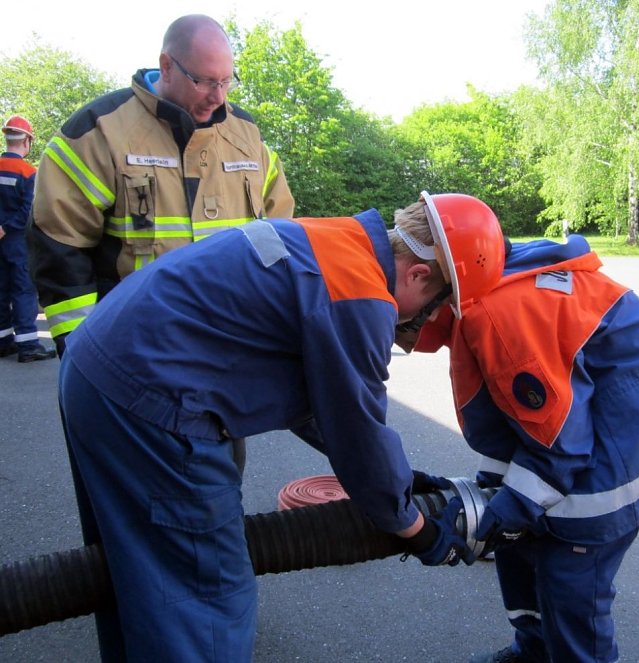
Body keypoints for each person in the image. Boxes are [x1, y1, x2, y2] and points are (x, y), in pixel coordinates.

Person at [56, 191, 505, 661]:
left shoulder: (335, 238)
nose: (422, 320)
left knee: (137, 574)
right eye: (433, 306)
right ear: (417, 275)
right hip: (150, 403)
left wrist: (400, 479)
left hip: (100, 370)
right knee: (206, 596)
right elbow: (356, 428)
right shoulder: (361, 295)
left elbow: (323, 404)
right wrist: (417, 529)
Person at [400, 233, 639, 663]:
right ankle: (533, 652)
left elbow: (560, 445)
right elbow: (520, 422)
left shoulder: (498, 314)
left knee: (569, 580)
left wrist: (508, 509)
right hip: (592, 429)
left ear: (431, 287)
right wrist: (491, 493)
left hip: (615, 452)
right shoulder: (487, 288)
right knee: (517, 551)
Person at [28, 13, 295, 358]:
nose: (218, 97)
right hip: (135, 347)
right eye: (204, 81)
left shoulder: (246, 135)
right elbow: (59, 246)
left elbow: (278, 235)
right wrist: (82, 351)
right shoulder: (99, 131)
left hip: (236, 343)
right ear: (166, 66)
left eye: (226, 81)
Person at [0, 115, 56, 363]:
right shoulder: (28, 172)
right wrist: (7, 228)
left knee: (1, 288)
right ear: (27, 141)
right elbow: (28, 210)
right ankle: (28, 345)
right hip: (17, 240)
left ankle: (3, 341)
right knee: (23, 289)